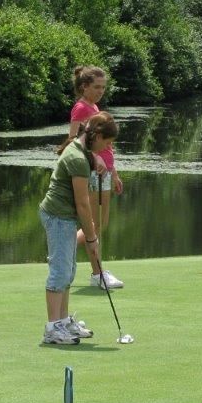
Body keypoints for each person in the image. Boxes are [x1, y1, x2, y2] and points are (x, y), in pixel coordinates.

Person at [40, 112, 118, 345]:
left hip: (64, 216)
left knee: (68, 271)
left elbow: (90, 158)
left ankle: (63, 322)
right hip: (57, 216)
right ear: (97, 135)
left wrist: (98, 159)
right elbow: (83, 203)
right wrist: (92, 237)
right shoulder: (76, 158)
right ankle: (52, 329)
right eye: (106, 142)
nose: (107, 147)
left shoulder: (82, 150)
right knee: (60, 272)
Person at [64, 65, 124, 289]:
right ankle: (96, 273)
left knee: (100, 223)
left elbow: (108, 146)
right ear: (84, 87)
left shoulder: (94, 106)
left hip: (105, 171)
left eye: (103, 87)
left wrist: (114, 172)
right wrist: (93, 160)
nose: (101, 91)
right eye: (96, 87)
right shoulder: (80, 108)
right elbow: (72, 141)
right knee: (94, 224)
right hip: (92, 172)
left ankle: (93, 268)